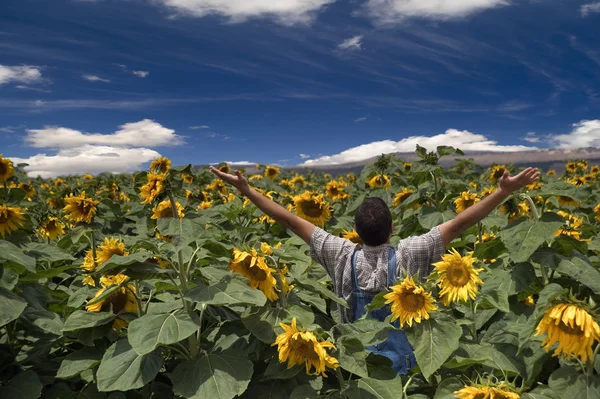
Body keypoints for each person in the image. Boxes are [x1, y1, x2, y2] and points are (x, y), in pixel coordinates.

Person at [209, 165, 540, 374]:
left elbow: (288, 219)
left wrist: (246, 189)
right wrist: (503, 191)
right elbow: (459, 223)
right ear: (392, 228)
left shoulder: (339, 253)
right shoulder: (413, 252)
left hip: (359, 367)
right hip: (409, 368)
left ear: (353, 229)